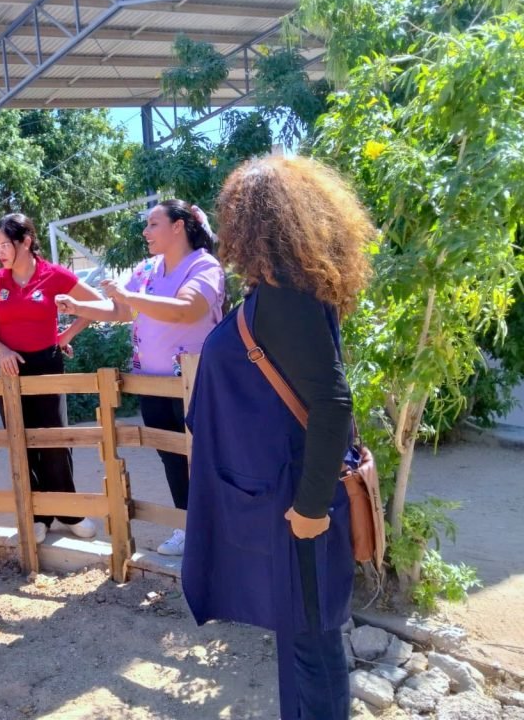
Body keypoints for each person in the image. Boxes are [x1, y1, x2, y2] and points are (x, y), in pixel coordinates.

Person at [182, 156, 375, 719]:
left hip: (300, 503)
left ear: (252, 222)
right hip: (287, 494)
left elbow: (333, 403)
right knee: (304, 639)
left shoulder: (286, 299)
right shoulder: (285, 290)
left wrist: (310, 510)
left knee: (312, 644)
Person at [55, 199, 224, 556]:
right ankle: (187, 528)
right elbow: (121, 309)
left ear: (178, 226)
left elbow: (186, 309)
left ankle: (218, 531)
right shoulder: (148, 268)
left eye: (153, 224)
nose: (145, 232)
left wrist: (130, 296)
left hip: (197, 385)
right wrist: (79, 307)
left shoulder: (204, 266)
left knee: (206, 457)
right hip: (152, 384)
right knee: (171, 457)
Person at [0, 213, 102, 544]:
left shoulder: (54, 275)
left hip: (47, 363)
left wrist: (67, 334)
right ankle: (38, 515)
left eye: (6, 244)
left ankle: (70, 511)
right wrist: (1, 351)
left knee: (55, 440)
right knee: (21, 440)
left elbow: (98, 304)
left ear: (26, 242)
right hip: (8, 367)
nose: (0, 252)